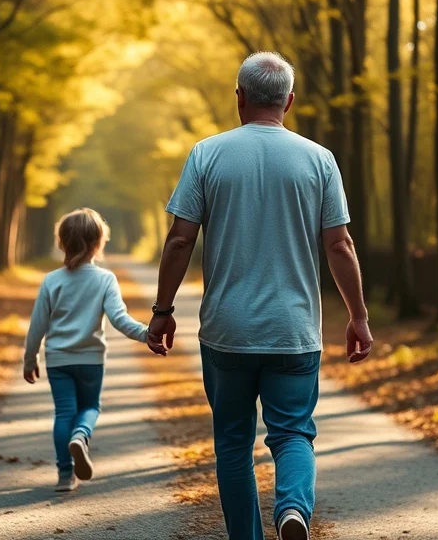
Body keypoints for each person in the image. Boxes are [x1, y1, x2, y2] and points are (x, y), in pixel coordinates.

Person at [147, 52, 373, 540]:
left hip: (227, 332)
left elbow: (180, 239)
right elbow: (339, 244)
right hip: (293, 332)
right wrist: (358, 317)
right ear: (289, 101)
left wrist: (163, 311)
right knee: (293, 434)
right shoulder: (319, 160)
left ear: (240, 97)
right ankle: (292, 510)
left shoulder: (207, 154)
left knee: (232, 443)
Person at [22, 208, 150, 492]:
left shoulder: (52, 281)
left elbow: (37, 326)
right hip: (91, 359)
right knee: (90, 407)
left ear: (62, 242)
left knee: (63, 413)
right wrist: (147, 334)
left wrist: (30, 359)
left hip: (58, 360)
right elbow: (120, 319)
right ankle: (81, 437)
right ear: (98, 243)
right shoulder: (105, 279)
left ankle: (65, 476)